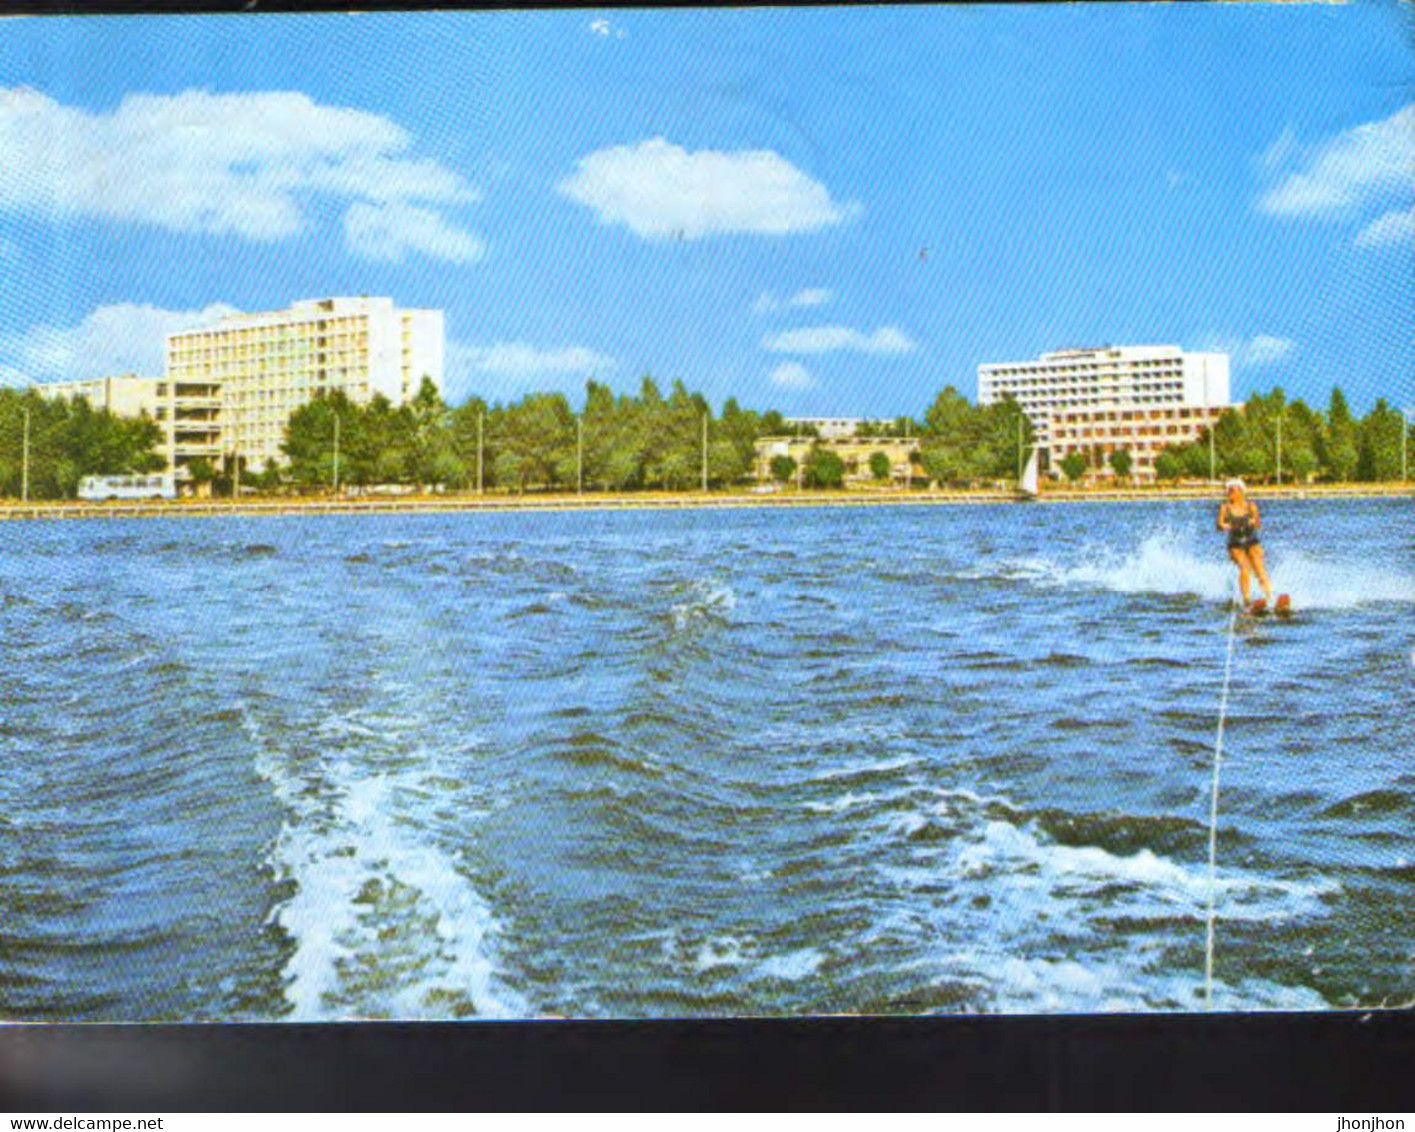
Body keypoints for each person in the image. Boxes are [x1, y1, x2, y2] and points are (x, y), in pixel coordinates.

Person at [1217, 478, 1273, 610]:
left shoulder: (1251, 506)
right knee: (1245, 567)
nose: (1229, 493)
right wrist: (1225, 526)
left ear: (1241, 491)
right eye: (1228, 490)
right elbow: (1219, 525)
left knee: (1258, 566)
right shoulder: (1225, 508)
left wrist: (1253, 521)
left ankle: (1270, 595)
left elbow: (1258, 525)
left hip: (1251, 540)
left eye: (1232, 490)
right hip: (1235, 543)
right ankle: (1247, 600)